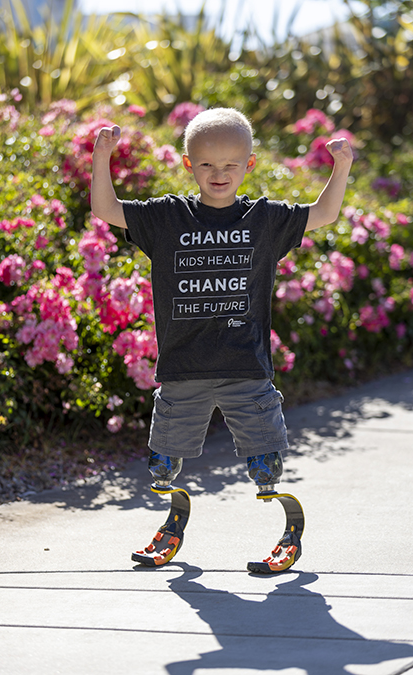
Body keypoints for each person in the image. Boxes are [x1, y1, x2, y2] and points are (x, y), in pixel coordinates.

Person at [91, 107, 353, 568]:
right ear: (189, 164)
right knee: (162, 466)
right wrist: (103, 155)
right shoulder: (166, 218)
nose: (219, 173)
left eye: (232, 164)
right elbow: (106, 210)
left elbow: (326, 213)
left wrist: (342, 165)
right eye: (207, 164)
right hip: (182, 373)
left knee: (266, 464)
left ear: (249, 165)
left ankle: (284, 522)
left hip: (246, 371)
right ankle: (172, 515)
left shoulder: (266, 220)